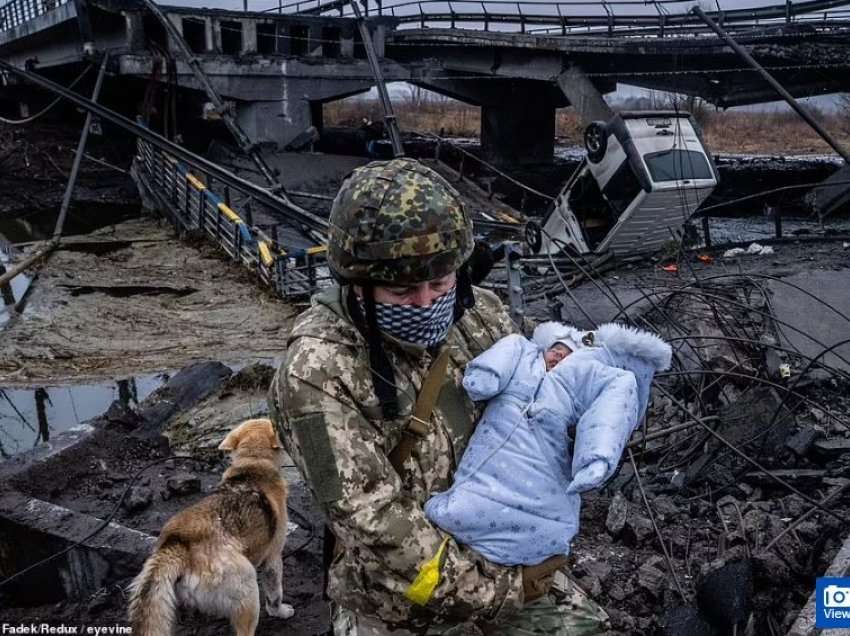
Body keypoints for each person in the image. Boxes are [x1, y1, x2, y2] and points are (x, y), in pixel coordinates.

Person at [268, 158, 611, 635]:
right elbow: (372, 521)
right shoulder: (318, 372)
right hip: (400, 599)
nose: (426, 303)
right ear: (357, 286)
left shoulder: (479, 317)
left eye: (440, 283)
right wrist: (504, 590)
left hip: (504, 550)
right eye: (402, 290)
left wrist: (593, 385)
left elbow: (550, 393)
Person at [425, 321, 672, 566]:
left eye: (567, 353)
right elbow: (508, 350)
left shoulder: (579, 376)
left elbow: (613, 402)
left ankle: (537, 543)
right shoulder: (523, 355)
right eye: (555, 348)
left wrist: (597, 456)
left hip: (545, 449)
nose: (558, 355)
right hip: (498, 441)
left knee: (547, 508)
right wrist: (486, 375)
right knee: (473, 494)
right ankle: (463, 519)